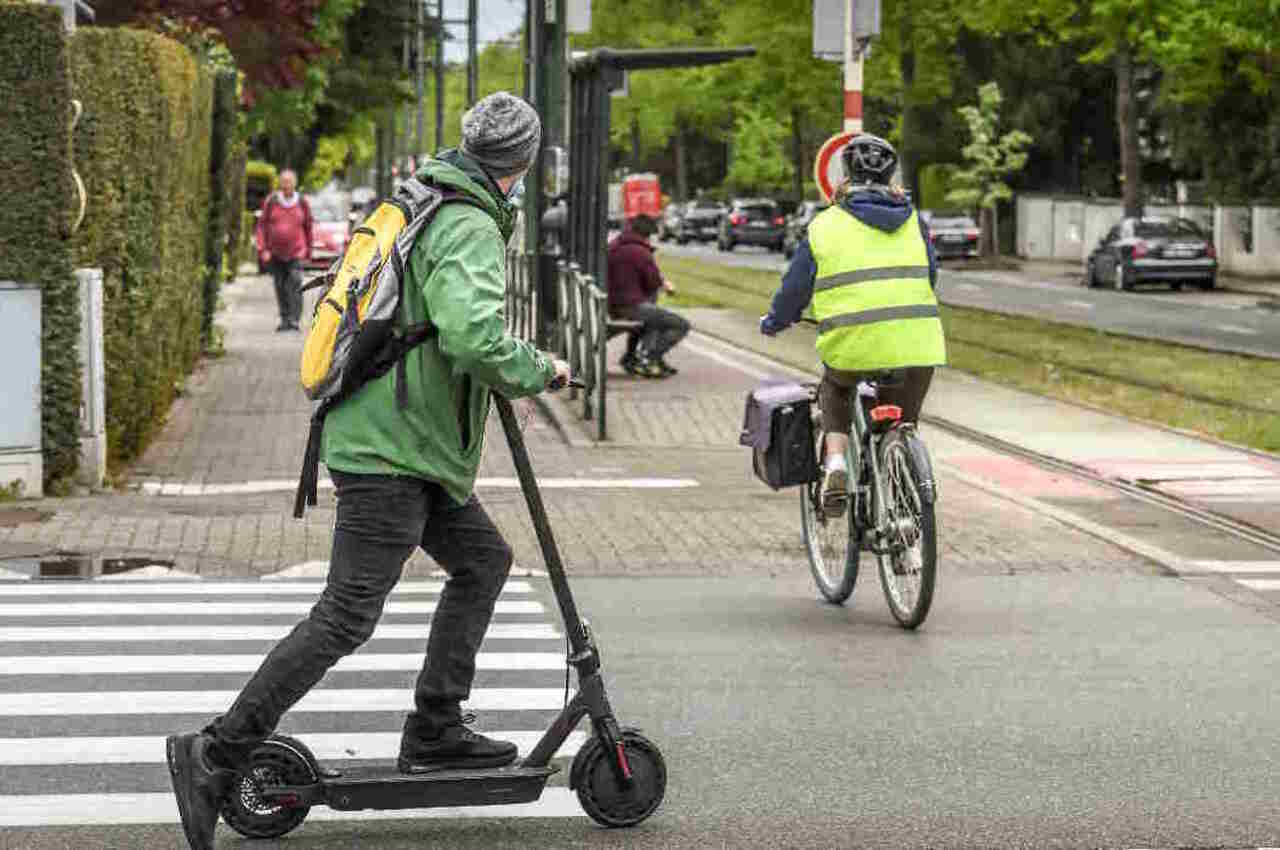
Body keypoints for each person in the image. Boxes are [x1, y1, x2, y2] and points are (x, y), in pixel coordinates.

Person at [167, 91, 572, 850]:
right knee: (347, 614)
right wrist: (539, 369)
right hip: (391, 451)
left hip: (407, 443)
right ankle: (217, 751)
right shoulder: (469, 222)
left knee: (484, 562)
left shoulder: (434, 199)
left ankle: (437, 728)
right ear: (523, 164)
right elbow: (473, 336)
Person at [759, 134, 946, 515]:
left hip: (852, 344)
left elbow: (795, 290)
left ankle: (837, 464)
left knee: (835, 386)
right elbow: (929, 275)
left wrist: (776, 321)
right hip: (920, 345)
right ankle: (906, 513)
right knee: (903, 423)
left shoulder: (824, 225)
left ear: (844, 176)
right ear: (893, 178)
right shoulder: (915, 222)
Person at [607, 213, 689, 378]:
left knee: (654, 317)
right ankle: (648, 358)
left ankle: (633, 358)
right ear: (647, 234)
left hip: (614, 304)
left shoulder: (615, 245)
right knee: (680, 324)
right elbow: (652, 283)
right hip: (630, 307)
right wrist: (665, 284)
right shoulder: (641, 252)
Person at [254, 168, 312, 331]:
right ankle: (285, 318)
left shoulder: (302, 202)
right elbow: (261, 226)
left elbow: (308, 226)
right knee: (279, 285)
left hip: (296, 251)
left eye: (289, 181)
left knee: (295, 281)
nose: (286, 185)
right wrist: (263, 248)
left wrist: (308, 249)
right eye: (284, 181)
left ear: (295, 183)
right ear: (280, 183)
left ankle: (294, 318)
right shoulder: (272, 201)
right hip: (275, 252)